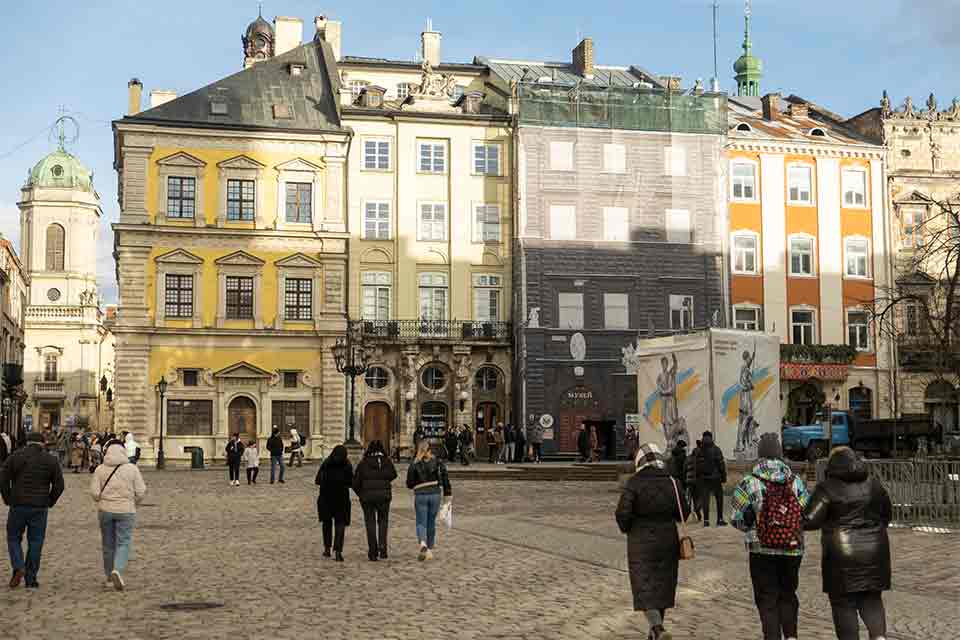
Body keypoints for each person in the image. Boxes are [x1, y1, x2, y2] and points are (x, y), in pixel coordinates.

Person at [803, 447, 892, 640]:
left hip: (841, 557)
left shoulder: (826, 487)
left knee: (844, 604)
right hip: (875, 553)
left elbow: (810, 520)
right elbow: (887, 514)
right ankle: (879, 637)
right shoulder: (874, 484)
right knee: (872, 600)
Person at [731, 433, 810, 640]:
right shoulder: (795, 481)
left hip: (761, 548)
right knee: (788, 595)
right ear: (780, 453)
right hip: (792, 548)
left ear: (760, 455)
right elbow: (806, 513)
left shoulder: (748, 482)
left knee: (767, 599)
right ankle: (791, 636)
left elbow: (737, 520)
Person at [615, 442, 689, 640]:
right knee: (662, 586)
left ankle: (657, 628)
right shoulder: (673, 482)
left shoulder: (634, 483)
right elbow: (684, 511)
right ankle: (655, 632)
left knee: (644, 586)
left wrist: (628, 528)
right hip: (668, 539)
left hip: (641, 541)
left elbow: (623, 514)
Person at [0, 432, 64, 589]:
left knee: (14, 537)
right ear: (42, 443)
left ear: (27, 442)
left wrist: (8, 498)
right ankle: (31, 578)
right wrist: (50, 501)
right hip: (39, 507)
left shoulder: (15, 457)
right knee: (36, 541)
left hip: (18, 504)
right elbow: (59, 485)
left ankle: (18, 566)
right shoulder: (50, 460)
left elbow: (3, 478)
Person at [90, 439, 146, 591]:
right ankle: (118, 570)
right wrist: (135, 503)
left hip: (105, 510)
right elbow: (141, 491)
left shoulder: (100, 469)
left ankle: (109, 577)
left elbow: (95, 493)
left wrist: (102, 499)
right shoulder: (132, 469)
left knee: (107, 545)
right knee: (123, 542)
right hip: (126, 510)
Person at [406, 439, 452, 561]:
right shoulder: (437, 462)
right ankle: (430, 550)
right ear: (431, 450)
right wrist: (448, 494)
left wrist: (414, 463)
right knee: (431, 522)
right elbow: (445, 478)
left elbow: (409, 484)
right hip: (435, 494)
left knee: (421, 522)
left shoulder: (415, 463)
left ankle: (423, 544)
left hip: (420, 494)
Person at [352, 440, 397, 561]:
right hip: (384, 497)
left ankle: (373, 550)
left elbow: (355, 482)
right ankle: (382, 548)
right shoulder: (386, 462)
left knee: (370, 522)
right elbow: (393, 475)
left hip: (367, 497)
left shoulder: (364, 463)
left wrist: (361, 494)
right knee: (383, 522)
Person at [315, 444, 352, 561]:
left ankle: (327, 548)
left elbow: (318, 480)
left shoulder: (326, 463)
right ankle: (338, 551)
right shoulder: (347, 465)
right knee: (340, 524)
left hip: (326, 497)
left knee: (327, 523)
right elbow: (351, 482)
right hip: (342, 498)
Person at [695, 431, 727, 526]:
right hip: (716, 478)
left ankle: (706, 521)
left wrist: (698, 477)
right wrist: (723, 477)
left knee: (705, 499)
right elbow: (721, 464)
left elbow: (696, 466)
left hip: (704, 479)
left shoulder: (699, 450)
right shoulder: (716, 449)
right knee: (719, 498)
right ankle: (720, 519)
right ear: (711, 437)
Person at [685, 440, 702, 521]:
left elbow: (684, 469)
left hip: (689, 481)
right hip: (698, 482)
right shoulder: (702, 458)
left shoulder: (689, 458)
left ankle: (685, 515)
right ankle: (698, 512)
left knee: (688, 499)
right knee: (697, 499)